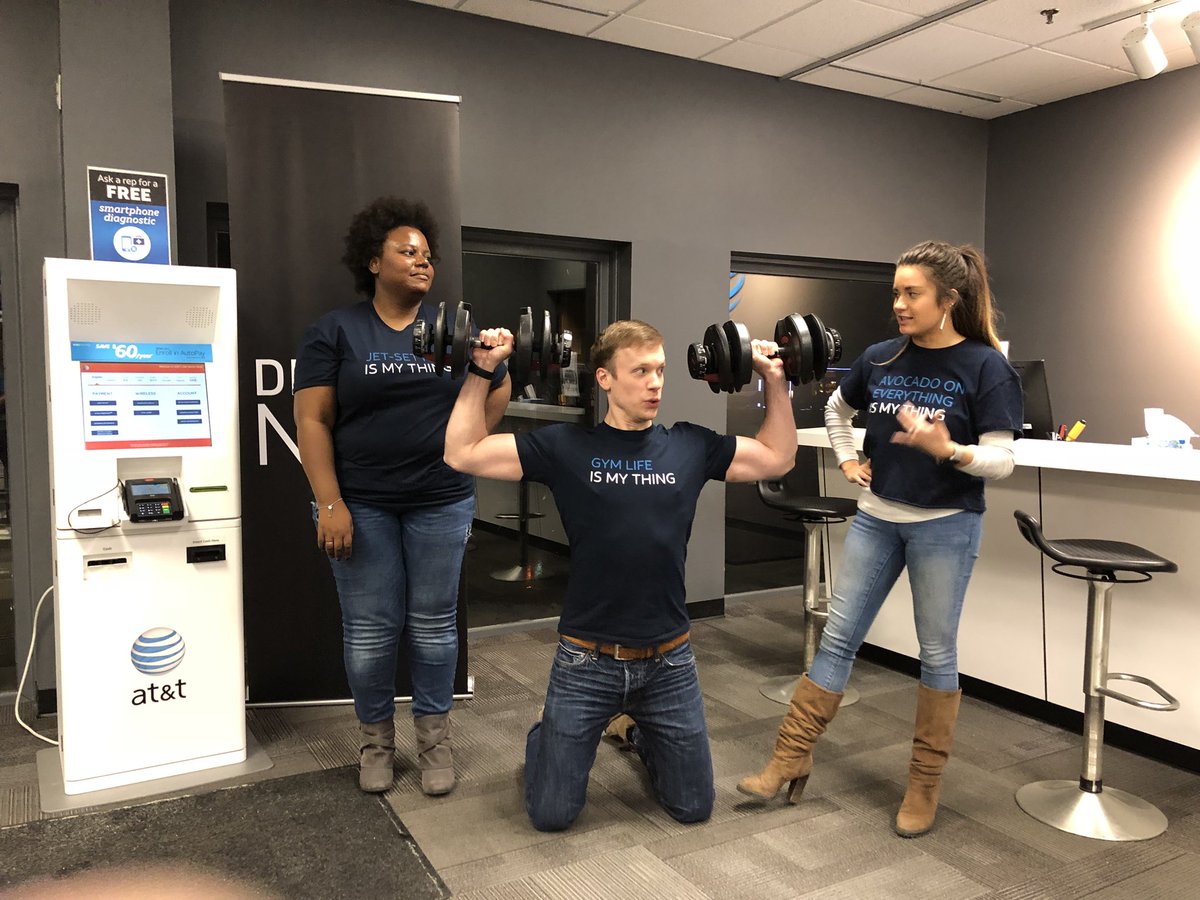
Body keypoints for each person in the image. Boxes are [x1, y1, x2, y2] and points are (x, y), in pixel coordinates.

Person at [443, 320, 797, 831]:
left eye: (661, 371)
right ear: (605, 379)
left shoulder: (689, 446)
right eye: (640, 372)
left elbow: (778, 458)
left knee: (693, 807)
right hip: (586, 659)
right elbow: (461, 452)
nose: (655, 384)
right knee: (552, 814)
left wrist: (775, 379)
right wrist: (482, 368)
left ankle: (636, 731)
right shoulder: (566, 447)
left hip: (669, 660)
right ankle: (550, 734)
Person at [739, 240, 1023, 838]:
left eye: (912, 293)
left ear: (949, 299)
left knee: (936, 652)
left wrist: (949, 449)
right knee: (839, 637)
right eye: (896, 292)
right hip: (875, 516)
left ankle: (923, 785)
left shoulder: (986, 366)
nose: (899, 303)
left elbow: (1002, 461)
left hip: (946, 524)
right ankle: (790, 757)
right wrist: (847, 460)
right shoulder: (881, 357)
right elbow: (836, 413)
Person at [293, 197, 510, 794]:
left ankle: (435, 741)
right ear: (373, 262)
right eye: (407, 252)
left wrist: (477, 415)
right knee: (370, 630)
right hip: (360, 502)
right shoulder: (336, 331)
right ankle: (376, 742)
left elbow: (492, 397)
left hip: (441, 498)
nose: (422, 262)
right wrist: (330, 503)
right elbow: (312, 420)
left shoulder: (455, 330)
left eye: (428, 255)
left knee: (435, 627)